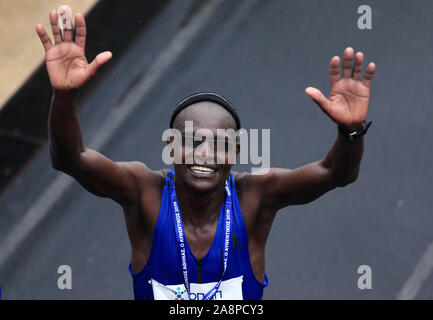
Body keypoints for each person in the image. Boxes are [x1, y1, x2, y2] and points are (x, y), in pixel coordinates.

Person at [35, 9, 376, 300]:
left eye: (220, 143)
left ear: (236, 153)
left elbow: (338, 173)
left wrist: (350, 131)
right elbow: (69, 158)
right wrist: (63, 96)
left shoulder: (257, 196)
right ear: (170, 146)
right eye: (191, 140)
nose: (205, 153)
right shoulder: (143, 192)